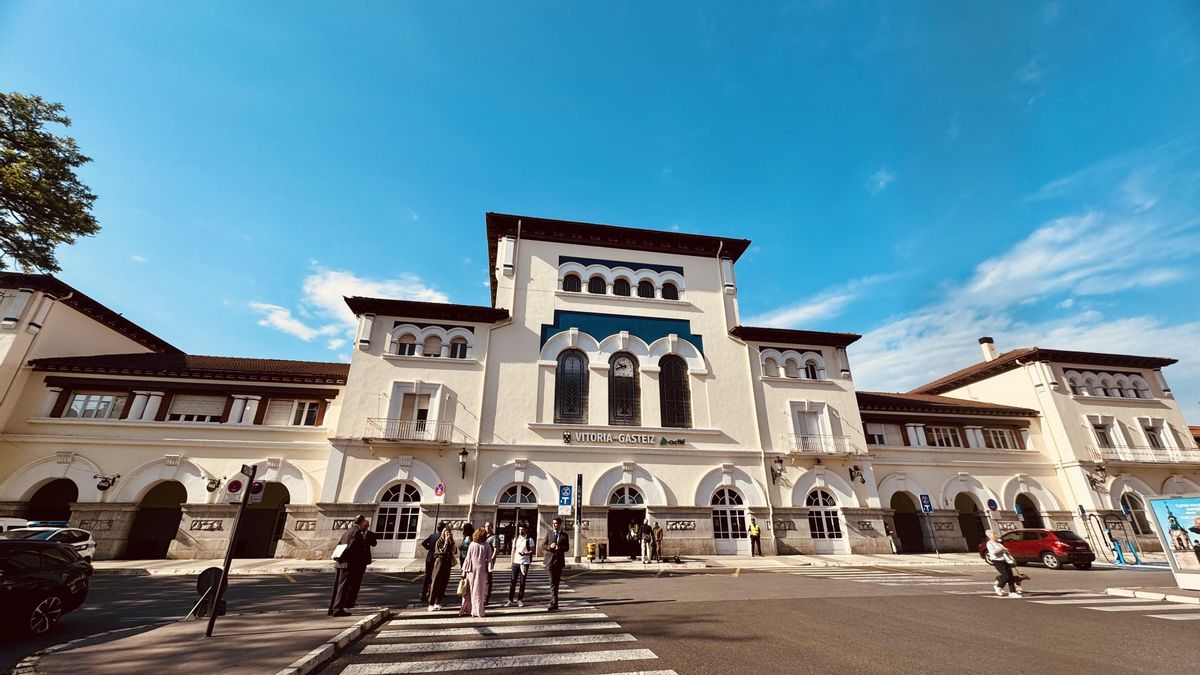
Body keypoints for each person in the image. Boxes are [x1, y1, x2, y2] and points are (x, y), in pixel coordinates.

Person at [329, 515, 377, 616]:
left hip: (340, 563)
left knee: (337, 586)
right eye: (365, 522)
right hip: (348, 563)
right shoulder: (356, 532)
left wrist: (338, 557)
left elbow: (340, 544)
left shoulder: (347, 531)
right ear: (362, 522)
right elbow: (352, 547)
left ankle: (331, 608)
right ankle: (338, 609)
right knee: (343, 587)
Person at [459, 528, 493, 617]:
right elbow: (489, 559)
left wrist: (463, 572)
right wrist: (490, 569)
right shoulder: (487, 545)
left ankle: (467, 608)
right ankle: (478, 610)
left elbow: (468, 558)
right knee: (479, 590)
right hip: (481, 570)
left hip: (470, 569)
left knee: (469, 590)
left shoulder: (472, 544)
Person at [504, 522, 535, 607]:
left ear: (526, 530)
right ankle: (510, 600)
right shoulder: (516, 539)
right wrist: (512, 562)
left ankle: (520, 600)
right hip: (516, 562)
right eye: (519, 529)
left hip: (524, 563)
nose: (520, 531)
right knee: (513, 581)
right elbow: (513, 550)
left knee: (522, 582)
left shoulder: (529, 540)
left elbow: (533, 551)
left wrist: (525, 554)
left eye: (522, 529)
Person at [426, 525, 456, 611]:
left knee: (444, 583)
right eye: (447, 533)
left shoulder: (450, 542)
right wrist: (446, 541)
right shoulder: (439, 541)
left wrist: (452, 541)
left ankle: (437, 602)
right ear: (443, 533)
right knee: (435, 582)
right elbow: (441, 551)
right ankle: (431, 603)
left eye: (450, 533)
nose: (448, 534)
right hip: (440, 562)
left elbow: (454, 551)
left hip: (447, 564)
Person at [984, 529, 1022, 597]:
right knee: (1005, 576)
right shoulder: (989, 543)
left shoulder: (998, 543)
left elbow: (1004, 550)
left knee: (1011, 577)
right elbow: (993, 552)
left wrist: (1006, 551)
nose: (996, 535)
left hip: (1005, 560)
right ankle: (998, 586)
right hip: (997, 561)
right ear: (989, 536)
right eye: (993, 534)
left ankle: (1012, 592)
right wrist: (1002, 549)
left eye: (995, 534)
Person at [543, 516, 569, 611]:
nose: (554, 525)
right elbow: (543, 545)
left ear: (560, 524)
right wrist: (550, 547)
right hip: (549, 561)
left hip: (559, 562)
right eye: (553, 523)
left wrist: (560, 548)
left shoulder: (564, 535)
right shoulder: (549, 533)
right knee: (552, 582)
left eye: (556, 523)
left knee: (556, 583)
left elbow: (567, 548)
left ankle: (554, 601)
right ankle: (554, 602)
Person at [419, 521, 445, 604]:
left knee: (428, 577)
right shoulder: (442, 537)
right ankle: (433, 594)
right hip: (436, 559)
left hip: (429, 558)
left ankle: (423, 594)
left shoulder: (432, 536)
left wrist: (429, 548)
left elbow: (423, 543)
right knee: (436, 577)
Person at [483, 521, 500, 606]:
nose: (487, 528)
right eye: (486, 526)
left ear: (492, 527)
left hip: (488, 561)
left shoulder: (494, 537)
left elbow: (496, 549)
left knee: (488, 580)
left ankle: (486, 597)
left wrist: (492, 560)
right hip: (481, 561)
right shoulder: (482, 536)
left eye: (489, 526)